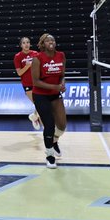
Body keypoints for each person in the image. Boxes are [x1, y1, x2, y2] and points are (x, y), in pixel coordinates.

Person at [32, 33, 67, 168]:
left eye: (53, 39)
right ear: (43, 44)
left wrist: (62, 84)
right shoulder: (38, 58)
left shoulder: (61, 55)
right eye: (47, 40)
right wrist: (55, 87)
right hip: (40, 95)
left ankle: (54, 141)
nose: (51, 41)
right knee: (50, 125)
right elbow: (36, 82)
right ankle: (50, 155)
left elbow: (62, 75)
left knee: (62, 125)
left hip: (55, 94)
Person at [13, 36, 43, 131]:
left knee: (41, 104)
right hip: (27, 85)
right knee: (39, 105)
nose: (26, 44)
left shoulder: (35, 54)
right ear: (21, 45)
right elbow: (19, 73)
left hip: (38, 82)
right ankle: (42, 125)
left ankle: (34, 116)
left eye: (28, 42)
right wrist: (27, 66)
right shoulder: (18, 56)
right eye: (24, 43)